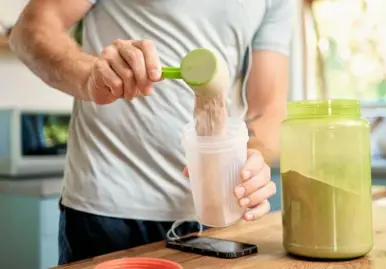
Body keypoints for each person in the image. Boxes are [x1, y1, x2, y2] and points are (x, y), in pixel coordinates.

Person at [9, 0, 293, 265]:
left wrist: (250, 160)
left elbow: (269, 109)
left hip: (212, 219)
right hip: (106, 211)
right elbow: (29, 31)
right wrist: (90, 75)